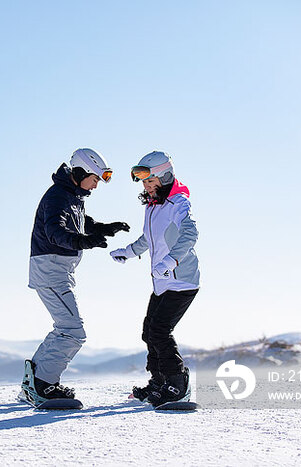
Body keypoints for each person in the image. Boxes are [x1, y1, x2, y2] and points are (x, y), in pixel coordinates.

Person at [21, 148, 130, 404]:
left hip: (57, 270)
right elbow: (54, 231)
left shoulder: (70, 196)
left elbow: (78, 221)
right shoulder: (58, 195)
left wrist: (102, 228)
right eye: (94, 179)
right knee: (73, 330)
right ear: (81, 172)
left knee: (65, 328)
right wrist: (84, 241)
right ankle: (44, 385)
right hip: (50, 270)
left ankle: (34, 382)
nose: (96, 185)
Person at [109, 150, 200, 406]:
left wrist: (171, 261)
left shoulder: (178, 203)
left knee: (160, 331)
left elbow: (190, 234)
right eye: (144, 183)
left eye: (151, 182)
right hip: (162, 282)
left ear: (165, 177)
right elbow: (148, 240)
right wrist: (127, 253)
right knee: (149, 331)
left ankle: (177, 383)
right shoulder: (153, 207)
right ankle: (159, 382)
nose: (147, 188)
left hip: (181, 280)